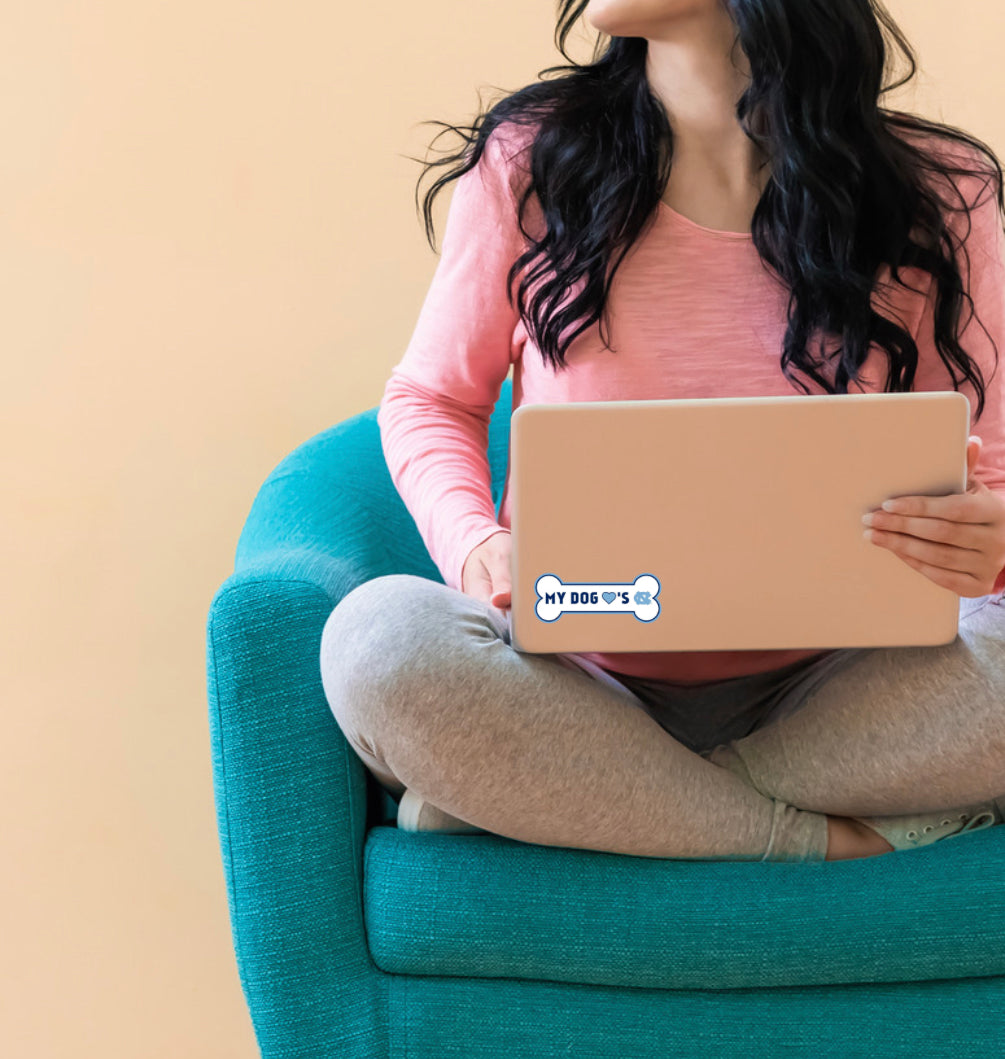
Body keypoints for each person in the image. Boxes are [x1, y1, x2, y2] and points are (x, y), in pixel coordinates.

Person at [319, 0, 1005, 862]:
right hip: (573, 683)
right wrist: (475, 546)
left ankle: (584, 797)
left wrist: (984, 541)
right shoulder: (529, 161)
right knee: (377, 642)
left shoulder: (939, 193)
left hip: (850, 688)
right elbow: (430, 397)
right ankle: (806, 838)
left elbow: (994, 469)